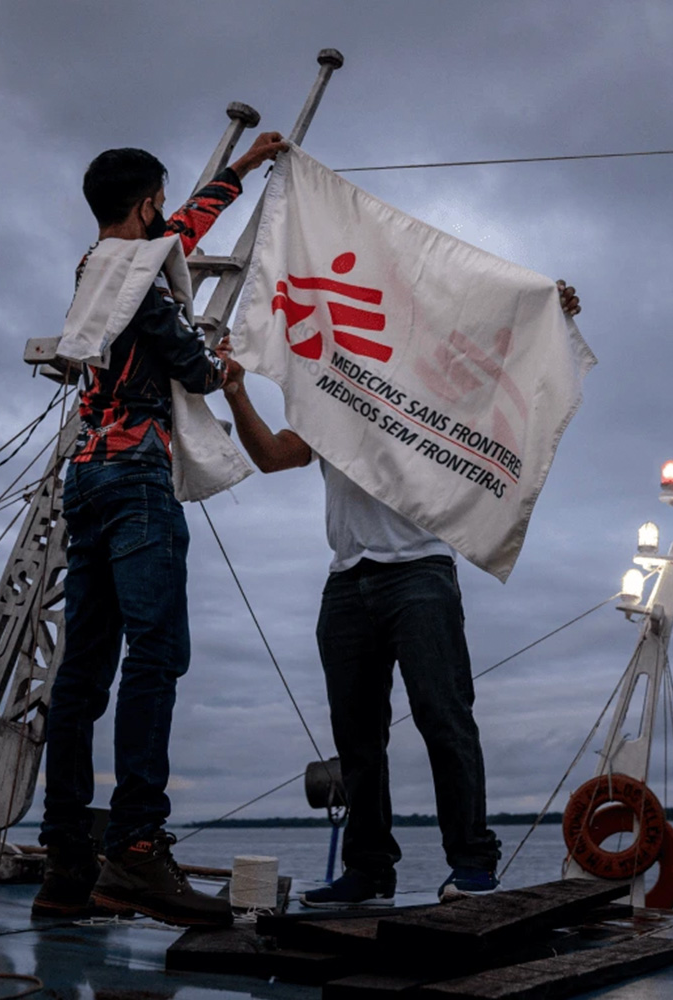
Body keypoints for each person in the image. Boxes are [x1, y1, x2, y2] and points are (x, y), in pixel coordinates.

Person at [222, 283, 581, 906]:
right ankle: (369, 872)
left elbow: (497, 367)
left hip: (420, 574)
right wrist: (235, 391)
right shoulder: (328, 396)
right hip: (345, 581)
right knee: (358, 740)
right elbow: (278, 457)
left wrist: (543, 316)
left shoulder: (428, 384)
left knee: (445, 720)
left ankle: (471, 864)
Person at [32, 131, 288, 926]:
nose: (166, 217)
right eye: (159, 203)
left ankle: (67, 866)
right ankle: (138, 847)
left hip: (85, 479)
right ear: (144, 204)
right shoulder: (142, 280)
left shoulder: (95, 266)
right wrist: (221, 370)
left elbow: (180, 231)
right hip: (140, 476)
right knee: (157, 650)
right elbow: (188, 363)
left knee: (80, 677)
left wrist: (238, 172)